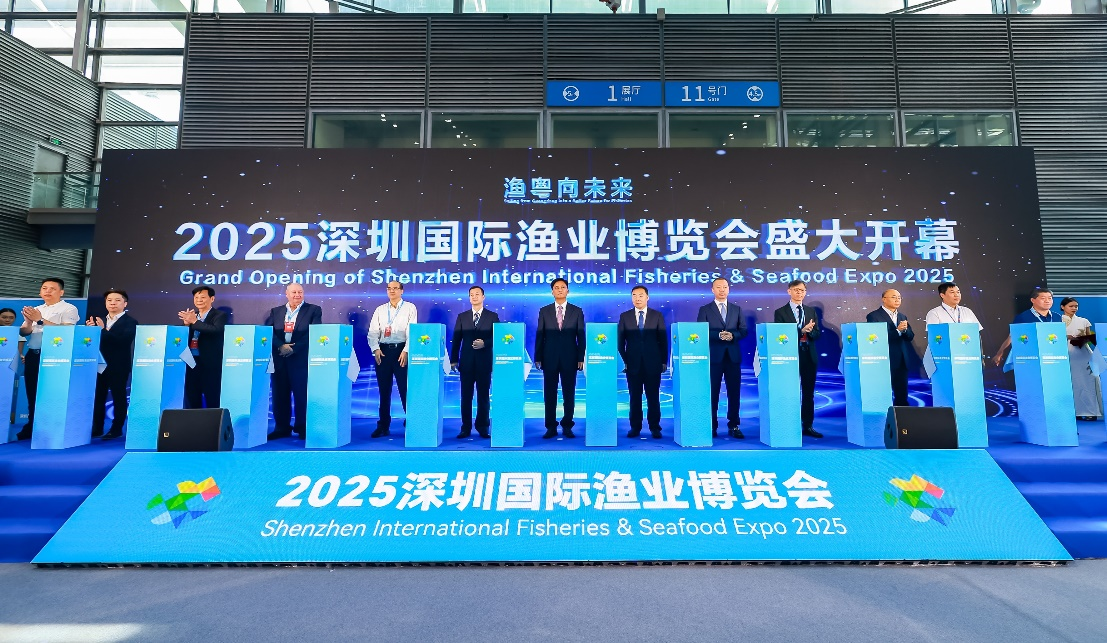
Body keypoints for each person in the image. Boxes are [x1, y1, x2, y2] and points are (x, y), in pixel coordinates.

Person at [16, 278, 80, 440]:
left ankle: (52, 427)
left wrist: (39, 320)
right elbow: (24, 332)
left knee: (52, 393)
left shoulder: (68, 308)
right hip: (34, 354)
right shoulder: (37, 309)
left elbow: (67, 331)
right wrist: (28, 322)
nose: (47, 291)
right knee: (32, 392)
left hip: (55, 356)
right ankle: (32, 425)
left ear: (61, 292)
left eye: (52, 288)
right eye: (44, 288)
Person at [266, 284, 322, 440]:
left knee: (301, 395)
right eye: (294, 292)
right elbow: (268, 332)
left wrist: (294, 348)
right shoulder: (276, 311)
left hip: (300, 358)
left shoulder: (313, 310)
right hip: (280, 358)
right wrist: (280, 346)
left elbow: (314, 332)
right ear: (287, 294)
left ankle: (302, 427)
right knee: (279, 395)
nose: (297, 295)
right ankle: (282, 427)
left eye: (300, 292)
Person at [697, 278, 749, 439]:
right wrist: (718, 335)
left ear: (729, 289)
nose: (722, 290)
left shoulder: (736, 309)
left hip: (733, 357)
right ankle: (711, 425)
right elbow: (700, 331)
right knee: (712, 393)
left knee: (734, 393)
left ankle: (734, 425)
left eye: (725, 287)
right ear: (712, 290)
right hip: (714, 357)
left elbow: (743, 330)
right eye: (718, 287)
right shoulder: (705, 309)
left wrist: (733, 335)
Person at [535, 278, 585, 439]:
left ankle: (567, 425)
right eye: (556, 287)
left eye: (563, 287)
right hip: (549, 357)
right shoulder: (544, 311)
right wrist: (538, 356)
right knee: (549, 394)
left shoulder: (577, 311)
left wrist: (581, 357)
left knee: (569, 393)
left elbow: (581, 336)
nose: (560, 290)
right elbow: (540, 334)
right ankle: (550, 426)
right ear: (552, 292)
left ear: (568, 291)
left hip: (570, 358)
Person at [773, 279, 822, 439]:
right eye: (796, 290)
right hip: (789, 356)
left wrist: (809, 332)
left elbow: (817, 333)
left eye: (802, 290)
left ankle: (808, 425)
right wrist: (801, 330)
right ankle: (788, 424)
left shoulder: (810, 311)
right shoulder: (781, 312)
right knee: (789, 391)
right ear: (789, 291)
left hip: (808, 355)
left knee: (808, 393)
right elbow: (780, 335)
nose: (799, 293)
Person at [617, 285, 668, 439]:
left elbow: (663, 340)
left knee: (653, 397)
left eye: (640, 295)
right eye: (634, 295)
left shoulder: (657, 315)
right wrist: (623, 361)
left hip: (653, 363)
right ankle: (635, 427)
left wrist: (663, 361)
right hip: (632, 364)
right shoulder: (625, 316)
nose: (637, 298)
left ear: (647, 297)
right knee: (634, 397)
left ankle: (655, 427)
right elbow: (620, 342)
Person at [368, 281, 417, 438]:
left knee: (405, 389)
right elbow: (373, 332)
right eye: (389, 288)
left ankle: (412, 423)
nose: (392, 291)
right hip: (383, 351)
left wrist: (406, 351)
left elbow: (412, 331)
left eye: (395, 288)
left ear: (402, 291)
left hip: (401, 351)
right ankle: (383, 425)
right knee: (384, 390)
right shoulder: (380, 309)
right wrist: (375, 348)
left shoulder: (410, 308)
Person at [86, 289, 137, 440]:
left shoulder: (131, 322)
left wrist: (103, 330)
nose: (112, 303)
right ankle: (97, 427)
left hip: (118, 365)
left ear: (125, 303)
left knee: (118, 396)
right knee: (98, 396)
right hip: (98, 365)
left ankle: (116, 428)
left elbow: (123, 342)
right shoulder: (99, 320)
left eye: (117, 300)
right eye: (109, 300)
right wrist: (90, 332)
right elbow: (91, 343)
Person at [450, 286, 499, 439]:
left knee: (483, 396)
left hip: (484, 362)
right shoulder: (462, 317)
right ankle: (465, 428)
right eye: (471, 295)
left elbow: (498, 337)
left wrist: (485, 343)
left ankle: (483, 427)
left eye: (477, 294)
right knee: (466, 396)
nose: (474, 297)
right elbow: (456, 339)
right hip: (466, 362)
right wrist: (453, 360)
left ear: (483, 297)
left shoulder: (492, 316)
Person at [178, 286, 226, 409]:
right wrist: (186, 325)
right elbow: (181, 338)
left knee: (212, 397)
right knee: (192, 396)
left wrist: (194, 322)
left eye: (203, 297)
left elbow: (215, 330)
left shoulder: (219, 315)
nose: (199, 300)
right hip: (191, 362)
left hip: (209, 363)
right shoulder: (192, 315)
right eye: (196, 297)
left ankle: (214, 421)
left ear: (212, 299)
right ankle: (193, 421)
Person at [866, 289, 915, 407]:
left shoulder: (902, 316)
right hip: (884, 360)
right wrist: (897, 331)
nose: (897, 300)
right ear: (884, 299)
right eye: (894, 297)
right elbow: (875, 339)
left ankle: (902, 417)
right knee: (882, 394)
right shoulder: (873, 316)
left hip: (901, 361)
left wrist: (905, 331)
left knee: (902, 395)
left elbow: (910, 337)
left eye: (899, 297)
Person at [992, 287, 1061, 368]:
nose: (1047, 301)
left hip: (1053, 356)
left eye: (1050, 298)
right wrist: (1000, 353)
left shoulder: (1057, 317)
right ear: (1033, 300)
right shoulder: (1023, 317)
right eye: (1043, 298)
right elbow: (1012, 336)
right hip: (1032, 357)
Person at [1059, 297, 1102, 421]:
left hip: (1083, 353)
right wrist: (1066, 336)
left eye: (1076, 306)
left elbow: (1089, 337)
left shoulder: (1084, 321)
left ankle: (1091, 412)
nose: (1074, 308)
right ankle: (1075, 412)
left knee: (1087, 381)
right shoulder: (1057, 320)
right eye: (1071, 306)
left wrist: (1083, 338)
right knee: (1070, 383)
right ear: (1062, 307)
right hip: (1064, 353)